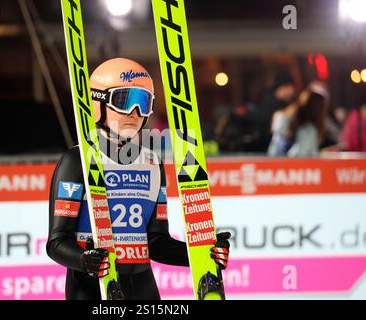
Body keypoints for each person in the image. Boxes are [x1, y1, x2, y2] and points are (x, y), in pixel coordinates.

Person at [46, 58, 231, 300]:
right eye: (124, 101)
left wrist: (202, 253)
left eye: (143, 103)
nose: (135, 113)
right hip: (94, 286)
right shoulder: (76, 161)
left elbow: (155, 241)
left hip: (143, 286)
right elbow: (57, 242)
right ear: (98, 103)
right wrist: (84, 260)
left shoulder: (152, 163)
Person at [268, 81, 328, 157]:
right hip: (289, 165)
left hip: (276, 164)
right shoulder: (308, 130)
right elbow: (302, 155)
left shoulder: (283, 116)